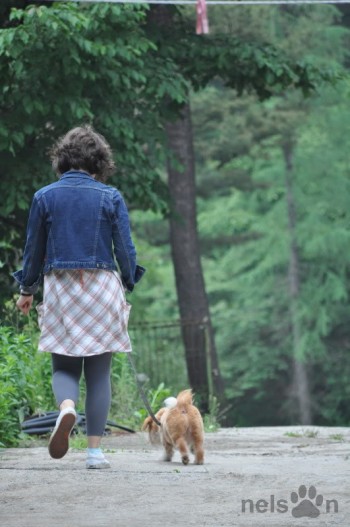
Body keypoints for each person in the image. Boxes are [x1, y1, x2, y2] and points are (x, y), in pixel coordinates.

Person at [14, 125, 145, 469]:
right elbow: (125, 249)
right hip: (102, 286)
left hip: (60, 287)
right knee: (99, 372)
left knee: (64, 364)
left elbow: (33, 250)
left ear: (62, 159)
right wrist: (129, 279)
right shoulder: (110, 196)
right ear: (99, 160)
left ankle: (67, 407)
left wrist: (27, 289)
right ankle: (95, 453)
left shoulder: (44, 197)